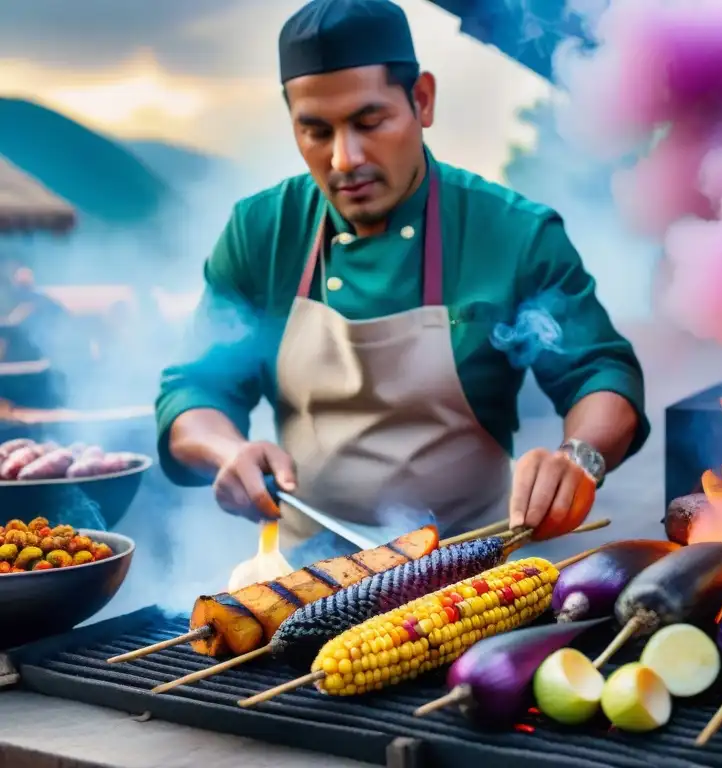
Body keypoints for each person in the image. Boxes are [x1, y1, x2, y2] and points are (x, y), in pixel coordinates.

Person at [155, 0, 649, 549]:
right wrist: (228, 451)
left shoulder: (512, 232)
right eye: (316, 131)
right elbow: (193, 389)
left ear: (423, 100)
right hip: (303, 580)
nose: (345, 158)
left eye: (370, 122)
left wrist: (578, 456)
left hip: (472, 573)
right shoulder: (261, 231)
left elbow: (601, 371)